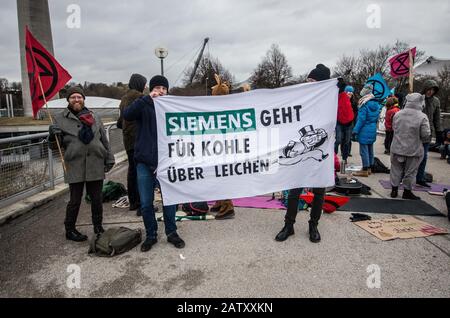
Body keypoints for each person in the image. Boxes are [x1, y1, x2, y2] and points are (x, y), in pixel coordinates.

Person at [275, 63, 342, 244]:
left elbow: (345, 117)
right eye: (308, 80)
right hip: (300, 152)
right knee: (294, 188)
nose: (308, 83)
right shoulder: (301, 97)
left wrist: (340, 93)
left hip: (321, 151)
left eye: (313, 81)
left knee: (319, 190)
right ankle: (289, 225)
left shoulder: (331, 98)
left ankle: (314, 225)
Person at [123, 75, 185, 252]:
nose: (161, 91)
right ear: (151, 89)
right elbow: (127, 115)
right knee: (145, 203)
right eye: (157, 88)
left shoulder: (172, 107)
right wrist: (146, 98)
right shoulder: (144, 105)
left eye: (164, 88)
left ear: (168, 90)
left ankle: (172, 232)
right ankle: (151, 235)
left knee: (170, 201)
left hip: (167, 162)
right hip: (144, 162)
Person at [48, 87, 115, 242]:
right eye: (73, 97)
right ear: (68, 100)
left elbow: (104, 139)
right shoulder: (59, 119)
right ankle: (70, 229)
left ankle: (98, 226)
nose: (76, 100)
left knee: (97, 199)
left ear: (83, 99)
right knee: (75, 200)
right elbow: (54, 146)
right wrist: (51, 136)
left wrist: (109, 158)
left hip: (95, 162)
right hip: (74, 164)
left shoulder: (95, 116)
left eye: (79, 97)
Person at [390, 93, 430, 200]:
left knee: (395, 169)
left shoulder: (398, 114)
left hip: (397, 147)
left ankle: (394, 189)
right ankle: (407, 191)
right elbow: (425, 134)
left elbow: (394, 128)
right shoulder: (422, 117)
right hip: (414, 149)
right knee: (410, 171)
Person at [118, 73, 147, 216]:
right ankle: (142, 204)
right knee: (141, 173)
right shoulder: (139, 97)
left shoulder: (124, 98)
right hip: (138, 139)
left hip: (127, 140)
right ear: (140, 84)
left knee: (132, 171)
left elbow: (119, 122)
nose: (146, 86)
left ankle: (133, 201)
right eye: (144, 83)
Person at [209, 74, 236, 220]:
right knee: (217, 174)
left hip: (223, 146)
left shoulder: (222, 108)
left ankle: (227, 206)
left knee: (222, 175)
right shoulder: (221, 106)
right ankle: (220, 201)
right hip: (219, 144)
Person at [352, 83, 382, 177]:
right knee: (370, 149)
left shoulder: (364, 104)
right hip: (372, 129)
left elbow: (361, 119)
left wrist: (355, 130)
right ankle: (370, 167)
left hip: (364, 129)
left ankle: (365, 169)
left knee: (363, 150)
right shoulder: (376, 104)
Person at [416, 80, 442, 187]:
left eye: (433, 90)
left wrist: (439, 132)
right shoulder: (417, 98)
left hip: (428, 132)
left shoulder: (436, 101)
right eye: (429, 89)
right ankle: (406, 174)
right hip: (415, 131)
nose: (430, 92)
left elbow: (437, 118)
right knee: (410, 155)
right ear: (425, 88)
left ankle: (420, 177)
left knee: (424, 156)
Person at [334, 85, 354, 163]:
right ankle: (333, 156)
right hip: (339, 122)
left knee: (346, 141)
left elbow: (355, 112)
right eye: (348, 92)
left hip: (349, 124)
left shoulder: (353, 102)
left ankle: (344, 158)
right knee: (338, 140)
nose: (350, 94)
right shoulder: (339, 99)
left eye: (351, 93)